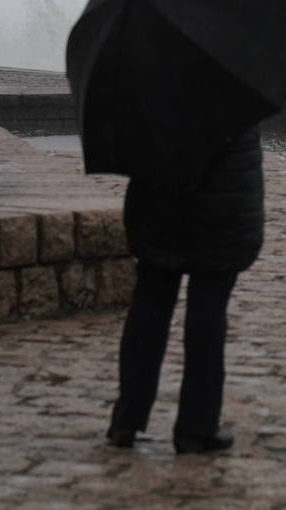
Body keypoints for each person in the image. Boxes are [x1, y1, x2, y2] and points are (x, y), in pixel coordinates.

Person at [105, 125, 265, 454]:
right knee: (207, 310)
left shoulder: (149, 75)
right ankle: (197, 425)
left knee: (149, 303)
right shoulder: (240, 77)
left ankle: (127, 419)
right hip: (221, 199)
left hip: (159, 191)